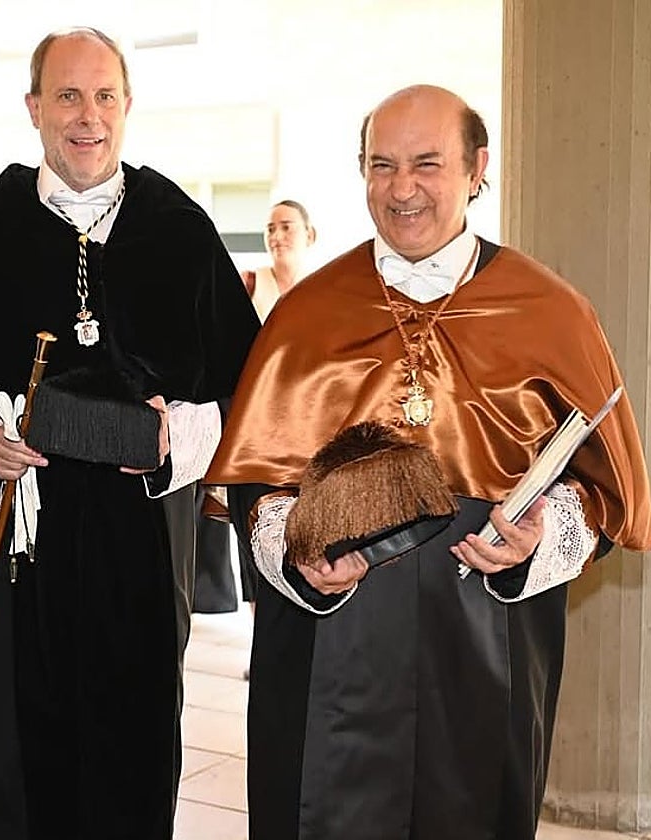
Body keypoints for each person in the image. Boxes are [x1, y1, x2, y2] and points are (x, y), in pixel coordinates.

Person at [205, 84, 651, 840]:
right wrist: (297, 553)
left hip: (486, 642)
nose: (401, 188)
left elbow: (605, 492)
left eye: (427, 164)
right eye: (381, 165)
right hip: (331, 654)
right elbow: (258, 486)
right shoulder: (306, 315)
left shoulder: (552, 312)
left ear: (477, 169)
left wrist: (542, 538)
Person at [0, 27, 259, 840]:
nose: (88, 116)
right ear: (34, 107)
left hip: (142, 553)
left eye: (104, 96)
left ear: (127, 105)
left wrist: (173, 441)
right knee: (21, 763)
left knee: (133, 760)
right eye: (69, 96)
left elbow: (248, 391)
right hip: (20, 559)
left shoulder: (179, 228)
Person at [194, 199, 317, 618]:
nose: (277, 236)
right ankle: (257, 628)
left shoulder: (324, 292)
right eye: (270, 229)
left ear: (309, 235)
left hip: (309, 432)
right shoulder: (247, 285)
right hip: (258, 432)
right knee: (257, 527)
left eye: (287, 227)